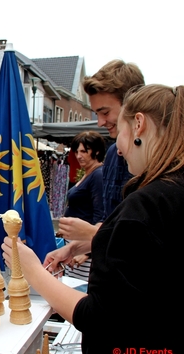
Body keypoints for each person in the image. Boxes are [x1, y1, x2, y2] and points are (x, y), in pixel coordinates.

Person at [2, 84, 184, 354]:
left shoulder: (147, 204)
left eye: (120, 134)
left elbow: (98, 316)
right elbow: (166, 265)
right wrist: (98, 240)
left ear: (138, 124)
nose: (120, 150)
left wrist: (33, 273)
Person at [56, 60, 144, 253]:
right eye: (97, 113)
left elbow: (140, 239)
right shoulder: (112, 154)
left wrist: (91, 235)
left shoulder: (155, 165)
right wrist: (77, 249)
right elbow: (109, 221)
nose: (100, 122)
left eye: (105, 112)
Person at [62, 131, 105, 281]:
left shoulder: (98, 175)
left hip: (84, 247)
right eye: (77, 151)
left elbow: (100, 217)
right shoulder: (88, 174)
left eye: (83, 151)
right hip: (75, 244)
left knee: (80, 290)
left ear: (97, 151)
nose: (79, 156)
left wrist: (87, 252)